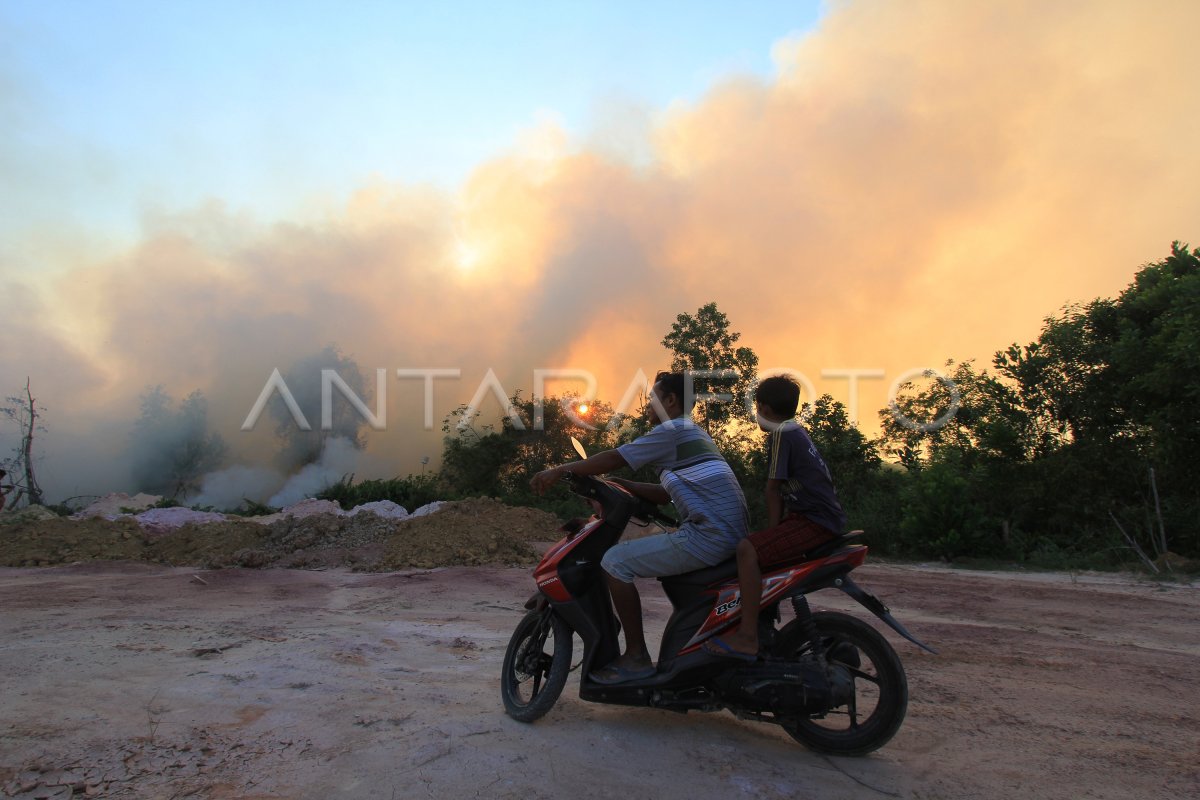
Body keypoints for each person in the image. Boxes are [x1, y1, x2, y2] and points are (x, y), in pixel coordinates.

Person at [531, 371, 748, 684]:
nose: (647, 408)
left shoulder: (671, 430)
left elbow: (613, 457)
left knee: (614, 562)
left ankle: (635, 656)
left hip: (707, 535)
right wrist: (620, 485)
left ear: (671, 401)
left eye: (652, 401)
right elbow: (664, 494)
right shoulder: (694, 433)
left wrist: (559, 470)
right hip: (726, 533)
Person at [702, 375, 846, 661]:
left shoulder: (782, 434)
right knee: (758, 550)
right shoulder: (797, 432)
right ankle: (762, 625)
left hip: (813, 521)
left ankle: (747, 636)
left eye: (757, 407)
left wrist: (771, 533)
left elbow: (772, 490)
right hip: (819, 517)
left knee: (748, 549)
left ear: (765, 409)